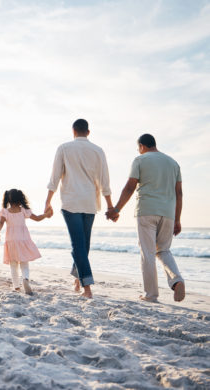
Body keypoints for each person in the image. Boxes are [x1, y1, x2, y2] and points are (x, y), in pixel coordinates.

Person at [106, 134, 185, 303]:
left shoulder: (140, 160)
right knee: (163, 250)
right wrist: (177, 219)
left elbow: (130, 186)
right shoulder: (173, 163)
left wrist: (116, 210)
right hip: (168, 213)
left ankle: (151, 295)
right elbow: (179, 193)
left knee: (147, 253)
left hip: (147, 211)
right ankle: (177, 280)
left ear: (142, 146)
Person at [45, 119, 113, 299]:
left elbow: (55, 177)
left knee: (78, 245)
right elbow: (105, 181)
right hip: (90, 203)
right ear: (88, 132)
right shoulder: (98, 151)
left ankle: (87, 286)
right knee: (84, 244)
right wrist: (110, 205)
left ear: (73, 131)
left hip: (71, 202)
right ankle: (78, 280)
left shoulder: (64, 148)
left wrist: (48, 202)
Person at [0, 189, 52, 295]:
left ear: (8, 199)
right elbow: (37, 218)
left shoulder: (4, 211)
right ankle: (26, 279)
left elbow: (0, 224)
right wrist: (46, 215)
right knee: (24, 262)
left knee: (13, 264)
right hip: (23, 239)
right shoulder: (23, 210)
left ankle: (16, 287)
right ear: (20, 198)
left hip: (11, 241)